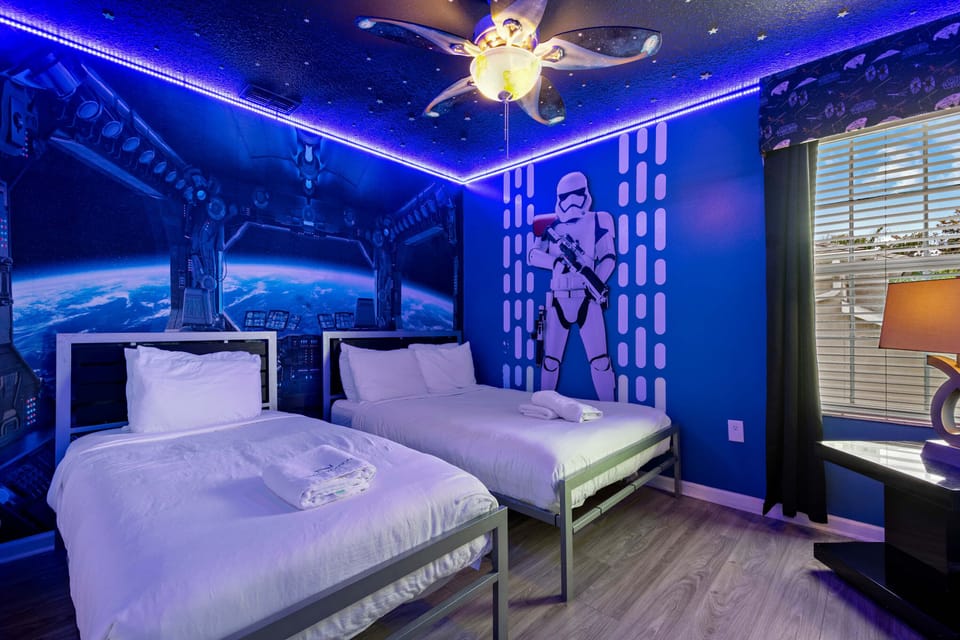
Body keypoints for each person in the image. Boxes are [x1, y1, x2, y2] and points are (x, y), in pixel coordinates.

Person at [528, 171, 616, 401]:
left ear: (585, 193)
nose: (572, 202)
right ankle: (545, 403)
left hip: (587, 297)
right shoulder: (548, 224)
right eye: (566, 196)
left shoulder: (599, 219)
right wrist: (555, 262)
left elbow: (608, 257)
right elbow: (533, 254)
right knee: (550, 361)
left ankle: (612, 408)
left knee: (600, 361)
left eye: (577, 194)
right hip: (558, 298)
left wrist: (593, 280)